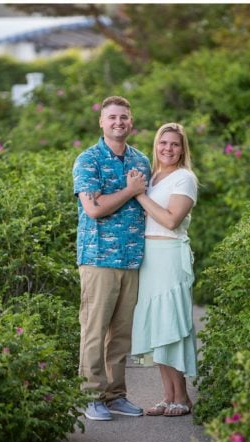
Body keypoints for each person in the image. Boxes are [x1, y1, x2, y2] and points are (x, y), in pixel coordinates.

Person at [72, 95, 150, 421]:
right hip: (98, 258)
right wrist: (130, 192)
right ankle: (90, 397)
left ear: (131, 122)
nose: (119, 122)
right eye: (112, 117)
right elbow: (94, 208)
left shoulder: (142, 162)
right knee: (94, 329)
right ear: (101, 123)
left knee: (120, 333)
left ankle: (116, 395)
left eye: (124, 117)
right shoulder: (88, 160)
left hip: (131, 259)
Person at [131, 123, 198, 417]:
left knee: (171, 323)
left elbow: (171, 220)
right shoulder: (155, 176)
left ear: (182, 149)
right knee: (157, 326)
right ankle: (167, 396)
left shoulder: (185, 178)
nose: (168, 149)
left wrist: (140, 195)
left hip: (170, 255)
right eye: (163, 143)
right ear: (156, 145)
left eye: (174, 144)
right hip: (149, 257)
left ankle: (182, 397)